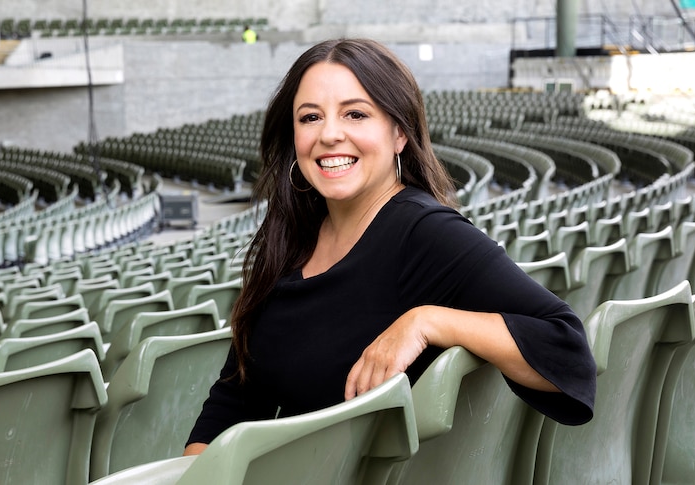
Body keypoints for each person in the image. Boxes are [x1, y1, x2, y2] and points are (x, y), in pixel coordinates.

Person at [184, 38, 596, 456]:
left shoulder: (425, 232)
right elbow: (237, 395)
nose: (329, 134)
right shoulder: (290, 238)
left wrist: (427, 321)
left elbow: (567, 347)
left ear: (399, 132)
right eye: (310, 117)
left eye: (355, 114)